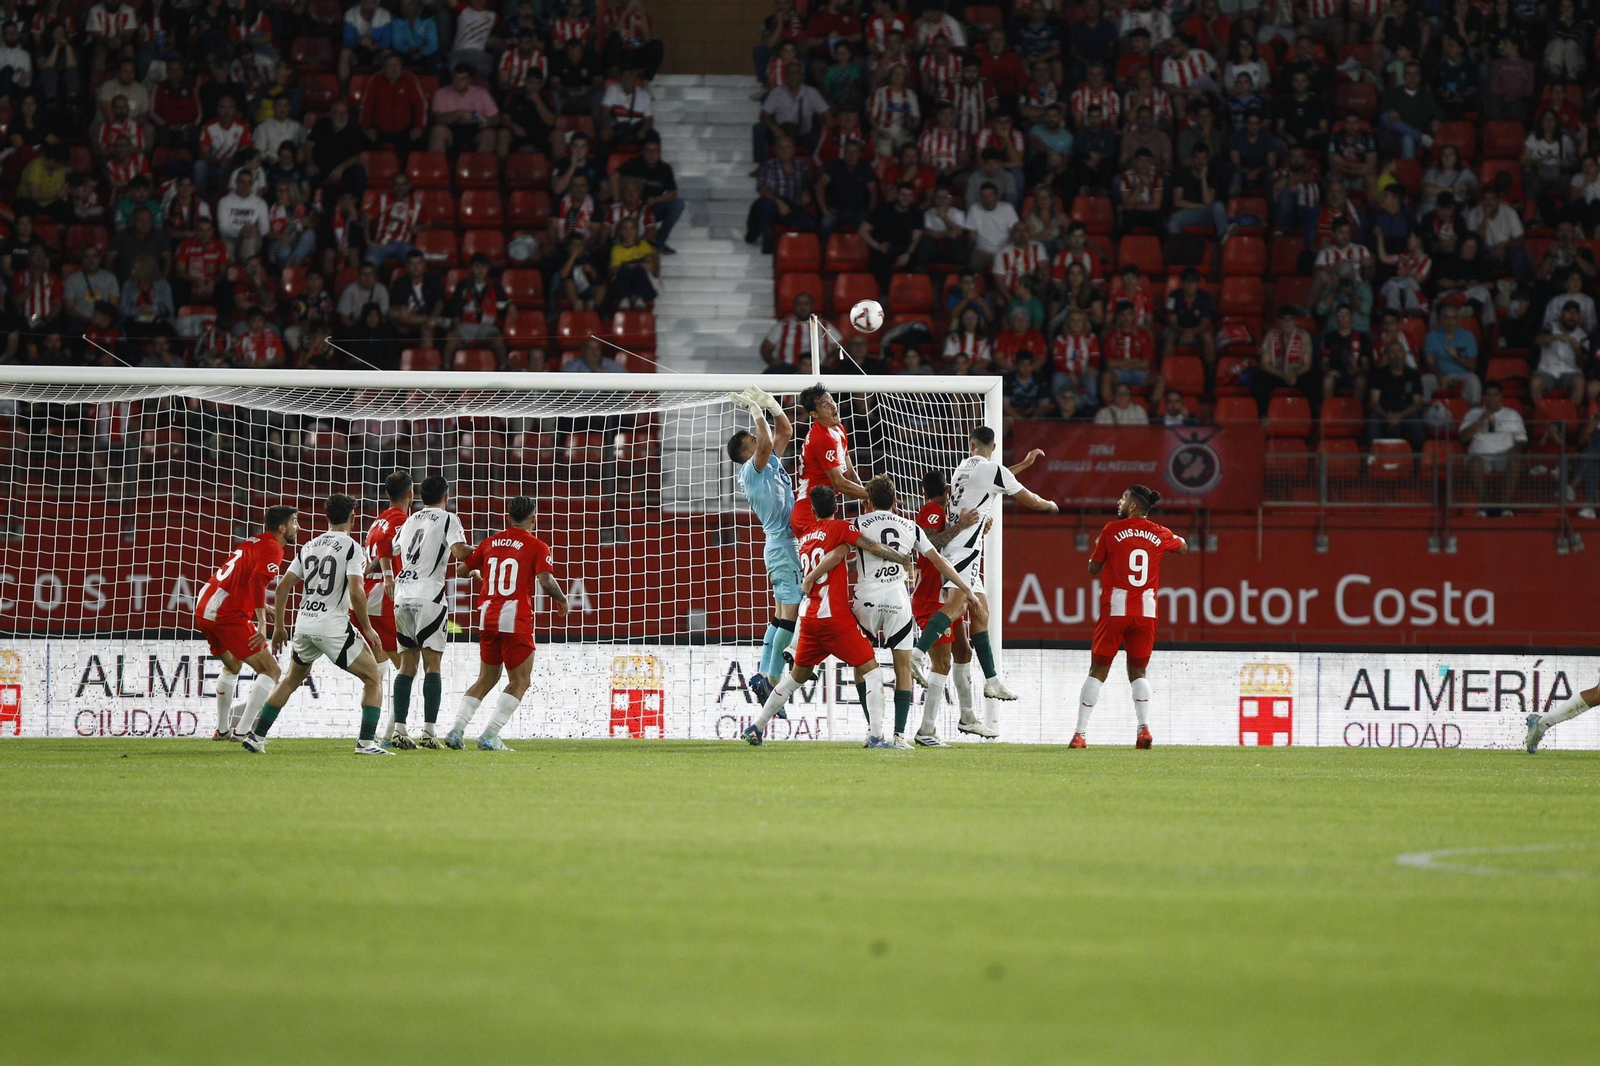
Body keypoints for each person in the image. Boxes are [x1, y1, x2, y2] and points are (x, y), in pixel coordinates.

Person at [741, 485, 915, 747]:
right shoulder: (842, 528)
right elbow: (873, 547)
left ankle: (756, 727)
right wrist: (901, 557)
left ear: (812, 510)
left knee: (794, 680)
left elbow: (838, 556)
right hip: (835, 620)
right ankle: (878, 736)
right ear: (836, 507)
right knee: (873, 673)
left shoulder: (806, 537)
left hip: (809, 619)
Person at [910, 428, 1057, 722]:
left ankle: (991, 680)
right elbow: (1029, 499)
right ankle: (917, 653)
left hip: (960, 549)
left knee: (981, 610)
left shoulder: (963, 467)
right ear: (995, 446)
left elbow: (996, 479)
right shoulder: (993, 470)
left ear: (972, 445)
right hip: (964, 548)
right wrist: (1051, 505)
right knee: (955, 607)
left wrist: (1023, 466)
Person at [240, 494, 390, 755]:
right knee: (373, 677)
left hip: (304, 625)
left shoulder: (309, 545)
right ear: (353, 519)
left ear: (326, 518)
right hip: (332, 626)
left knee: (290, 679)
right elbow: (356, 591)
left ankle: (256, 736)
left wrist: (279, 627)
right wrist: (367, 627)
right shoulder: (352, 547)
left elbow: (284, 585)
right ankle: (366, 743)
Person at [851, 475, 975, 748]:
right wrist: (965, 588)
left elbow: (839, 554)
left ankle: (873, 731)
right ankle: (899, 736)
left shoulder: (858, 523)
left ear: (868, 502)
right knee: (904, 667)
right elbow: (938, 561)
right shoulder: (912, 526)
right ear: (896, 502)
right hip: (898, 601)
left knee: (861, 666)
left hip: (866, 601)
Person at [446, 495, 570, 751]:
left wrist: (477, 571)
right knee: (520, 681)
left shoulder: (490, 542)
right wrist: (562, 599)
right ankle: (490, 735)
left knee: (486, 679)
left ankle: (456, 730)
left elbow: (459, 570)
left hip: (487, 618)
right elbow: (546, 581)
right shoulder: (537, 546)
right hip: (515, 620)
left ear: (508, 518)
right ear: (534, 519)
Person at [1072, 485, 1188, 749]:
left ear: (1133, 506)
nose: (1118, 501)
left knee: (1098, 671)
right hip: (1145, 613)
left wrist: (1100, 546)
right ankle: (1143, 730)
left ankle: (1080, 734)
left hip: (1115, 610)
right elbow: (1183, 547)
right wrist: (1170, 538)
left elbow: (1093, 569)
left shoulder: (1111, 530)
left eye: (1123, 498)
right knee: (1138, 672)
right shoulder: (1159, 532)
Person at [194, 505, 297, 741]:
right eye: (294, 522)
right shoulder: (273, 548)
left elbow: (241, 578)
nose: (297, 527)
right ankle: (242, 731)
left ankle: (222, 730)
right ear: (282, 528)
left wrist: (258, 606)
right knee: (271, 670)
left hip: (204, 605)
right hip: (226, 614)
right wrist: (261, 622)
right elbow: (257, 581)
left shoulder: (253, 541)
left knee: (233, 666)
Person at [727, 385, 802, 703]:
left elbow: (784, 430)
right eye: (755, 442)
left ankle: (762, 673)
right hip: (783, 546)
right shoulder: (752, 471)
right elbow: (769, 440)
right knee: (790, 613)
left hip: (779, 546)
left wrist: (770, 403)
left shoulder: (768, 463)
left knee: (779, 615)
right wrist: (755, 410)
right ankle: (770, 677)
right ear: (748, 453)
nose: (762, 441)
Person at [390, 475, 473, 747]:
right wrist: (484, 551)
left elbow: (394, 549)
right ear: (446, 497)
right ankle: (428, 733)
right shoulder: (449, 518)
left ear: (419, 496)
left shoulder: (408, 520)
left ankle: (399, 731)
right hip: (430, 596)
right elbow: (460, 551)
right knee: (432, 665)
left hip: (402, 596)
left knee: (406, 665)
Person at [907, 470, 985, 742]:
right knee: (942, 663)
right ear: (948, 488)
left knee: (964, 652)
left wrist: (974, 529)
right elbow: (930, 540)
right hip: (931, 599)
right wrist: (961, 527)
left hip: (946, 595)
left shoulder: (947, 512)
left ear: (922, 488)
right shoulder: (931, 509)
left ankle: (968, 717)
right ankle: (926, 730)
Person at [363, 471, 412, 743]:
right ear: (411, 494)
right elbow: (385, 546)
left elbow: (373, 551)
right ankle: (388, 734)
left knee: (381, 671)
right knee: (406, 668)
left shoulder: (377, 521)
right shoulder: (401, 520)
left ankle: (375, 731)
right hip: (384, 599)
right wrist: (389, 575)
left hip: (368, 596)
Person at [789, 383, 868, 534]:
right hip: (809, 511)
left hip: (823, 508)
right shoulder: (822, 438)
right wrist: (876, 497)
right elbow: (839, 483)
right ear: (814, 414)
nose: (833, 406)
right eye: (825, 404)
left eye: (832, 400)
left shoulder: (838, 428)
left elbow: (850, 473)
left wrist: (867, 500)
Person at [1460, 383, 1527, 517]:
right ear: (1483, 397)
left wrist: (1514, 450)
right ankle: (1484, 505)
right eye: (1488, 395)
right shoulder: (1473, 413)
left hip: (1504, 455)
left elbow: (1522, 440)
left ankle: (1504, 505)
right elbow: (1463, 438)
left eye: (1495, 395)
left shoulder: (1512, 414)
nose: (1492, 399)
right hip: (1480, 455)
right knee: (1475, 463)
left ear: (1501, 397)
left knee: (1514, 463)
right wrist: (1481, 419)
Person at [1367, 342, 1427, 450]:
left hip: (1406, 413)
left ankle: (1418, 463)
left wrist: (1401, 415)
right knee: (1373, 422)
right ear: (1387, 355)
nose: (1396, 354)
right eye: (1392, 352)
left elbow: (1417, 402)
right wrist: (1386, 414)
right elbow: (1373, 401)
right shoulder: (1379, 374)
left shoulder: (1413, 375)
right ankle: (1372, 461)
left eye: (1399, 351)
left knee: (1416, 424)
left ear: (1404, 354)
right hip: (1384, 412)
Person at [1531, 301, 1590, 403]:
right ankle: (1540, 415)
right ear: (1561, 313)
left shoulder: (1583, 335)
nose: (1572, 316)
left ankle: (1572, 417)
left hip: (1571, 373)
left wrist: (1577, 351)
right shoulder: (1550, 327)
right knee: (1535, 382)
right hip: (1547, 371)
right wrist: (1556, 337)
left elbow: (1582, 365)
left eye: (1575, 313)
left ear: (1579, 316)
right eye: (1568, 312)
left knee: (1580, 382)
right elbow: (1537, 340)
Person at [1423, 305, 1482, 404]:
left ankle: (1473, 412)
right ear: (1440, 319)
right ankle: (1424, 413)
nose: (1449, 321)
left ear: (1458, 320)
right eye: (1446, 317)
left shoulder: (1468, 336)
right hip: (1441, 375)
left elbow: (1472, 365)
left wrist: (1456, 356)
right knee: (1424, 380)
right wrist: (1440, 376)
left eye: (1453, 318)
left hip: (1462, 375)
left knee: (1474, 380)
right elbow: (1430, 364)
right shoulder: (1432, 336)